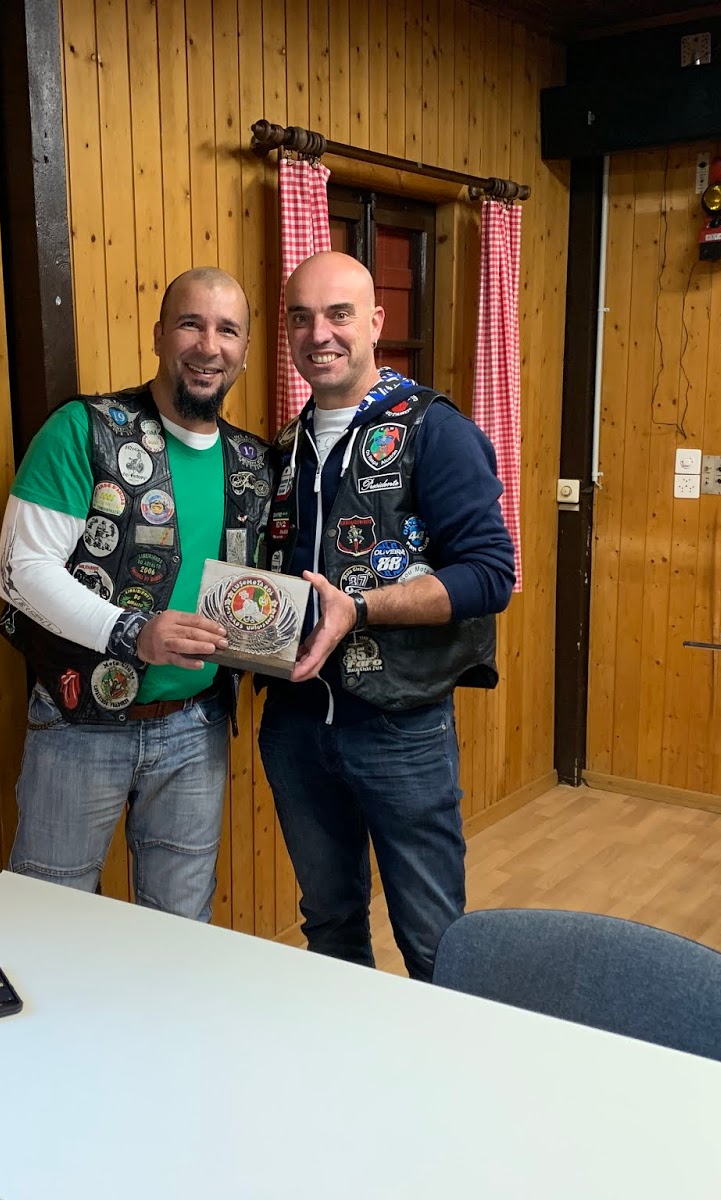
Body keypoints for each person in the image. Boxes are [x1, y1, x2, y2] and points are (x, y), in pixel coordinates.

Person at [259, 251, 514, 981]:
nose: (320, 334)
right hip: (296, 724)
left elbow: (491, 574)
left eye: (339, 314)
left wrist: (362, 609)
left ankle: (443, 1059)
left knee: (433, 942)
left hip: (401, 727)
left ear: (375, 322)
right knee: (329, 923)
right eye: (301, 317)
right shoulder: (285, 447)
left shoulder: (435, 428)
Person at [0, 267, 273, 921]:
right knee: (49, 920)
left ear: (244, 349)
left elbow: (258, 595)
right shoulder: (84, 429)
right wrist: (132, 631)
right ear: (158, 334)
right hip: (78, 726)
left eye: (227, 330)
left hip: (197, 727)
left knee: (181, 926)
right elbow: (20, 570)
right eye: (190, 324)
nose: (208, 346)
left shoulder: (255, 464)